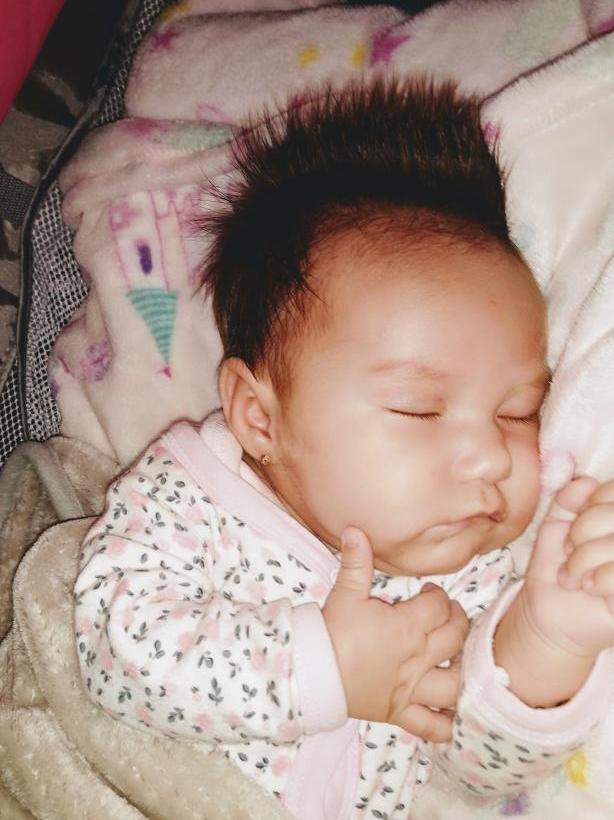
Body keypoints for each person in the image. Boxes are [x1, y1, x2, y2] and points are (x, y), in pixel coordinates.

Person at [74, 78, 614, 819]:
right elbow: (113, 648)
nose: (493, 457)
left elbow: (474, 772)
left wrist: (547, 638)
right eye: (420, 409)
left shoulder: (473, 578)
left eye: (518, 412)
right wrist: (319, 667)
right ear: (259, 418)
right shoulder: (192, 496)